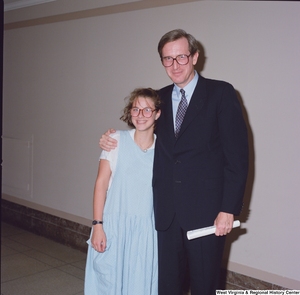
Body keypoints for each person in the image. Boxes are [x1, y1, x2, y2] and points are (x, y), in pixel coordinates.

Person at [99, 29, 249, 295]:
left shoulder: (220, 93)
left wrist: (228, 208)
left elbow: (237, 157)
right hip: (165, 214)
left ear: (194, 57)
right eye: (167, 59)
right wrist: (113, 138)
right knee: (167, 287)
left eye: (181, 57)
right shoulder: (159, 99)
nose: (174, 65)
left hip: (207, 214)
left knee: (205, 286)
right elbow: (139, 134)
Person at [84, 88, 161, 295]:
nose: (141, 115)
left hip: (146, 232)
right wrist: (98, 225)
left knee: (140, 285)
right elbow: (100, 184)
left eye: (147, 110)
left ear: (157, 114)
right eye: (136, 109)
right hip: (113, 228)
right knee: (107, 285)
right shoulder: (115, 140)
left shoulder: (164, 150)